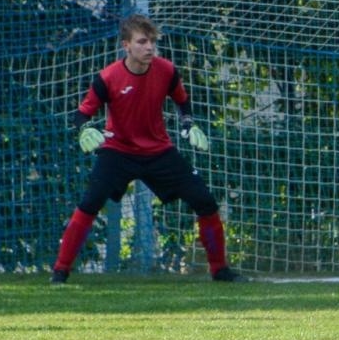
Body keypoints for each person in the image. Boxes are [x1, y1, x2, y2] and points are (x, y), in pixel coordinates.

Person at [50, 14, 242, 283]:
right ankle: (60, 271)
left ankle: (220, 270)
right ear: (126, 45)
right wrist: (85, 129)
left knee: (205, 202)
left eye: (152, 41)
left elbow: (182, 102)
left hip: (159, 151)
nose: (150, 47)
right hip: (118, 151)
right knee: (89, 203)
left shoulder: (167, 71)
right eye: (142, 41)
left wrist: (188, 124)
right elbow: (82, 114)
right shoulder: (108, 77)